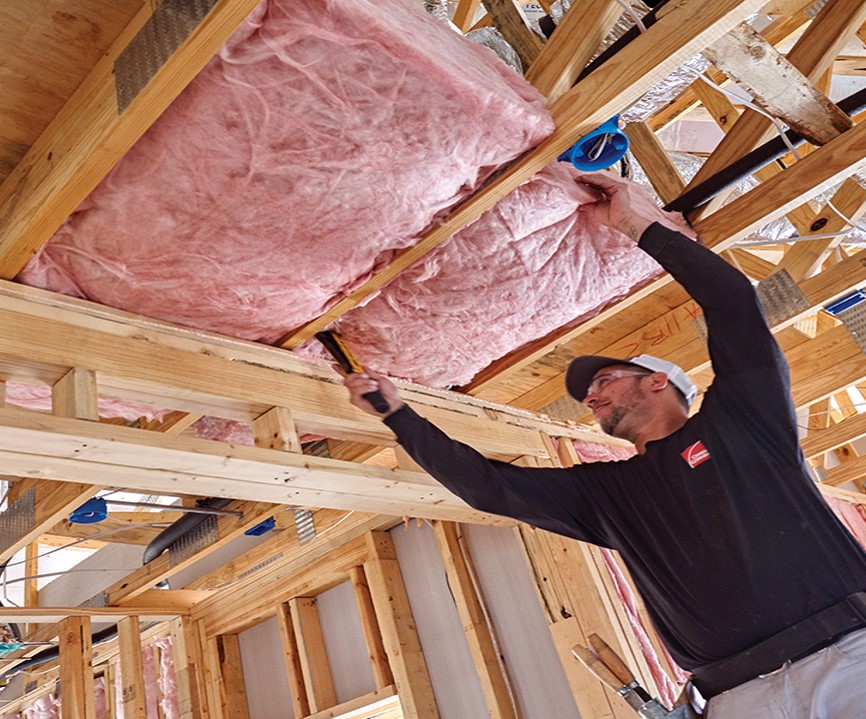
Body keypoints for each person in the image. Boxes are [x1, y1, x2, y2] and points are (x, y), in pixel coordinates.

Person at [343, 171, 866, 718]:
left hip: (847, 659)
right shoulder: (605, 494)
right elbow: (487, 487)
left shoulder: (742, 425)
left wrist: (636, 224)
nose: (589, 401)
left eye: (602, 383)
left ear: (658, 380)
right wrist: (399, 416)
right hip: (739, 698)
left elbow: (732, 301)